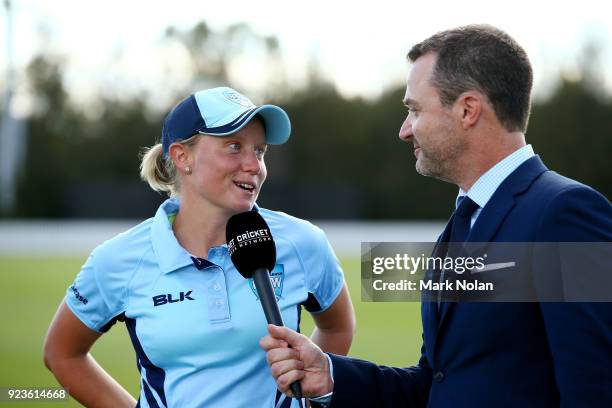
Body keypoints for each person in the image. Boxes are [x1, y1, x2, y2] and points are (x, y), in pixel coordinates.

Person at [260, 25, 612, 407]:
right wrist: (332, 375)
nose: (404, 130)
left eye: (414, 110)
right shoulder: (464, 222)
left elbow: (595, 387)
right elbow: (437, 383)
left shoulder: (567, 213)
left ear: (467, 110)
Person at [43, 86, 356, 408]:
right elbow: (62, 353)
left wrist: (309, 396)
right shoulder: (119, 259)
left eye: (259, 151)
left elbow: (338, 325)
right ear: (182, 157)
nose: (254, 165)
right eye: (234, 147)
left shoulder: (302, 242)